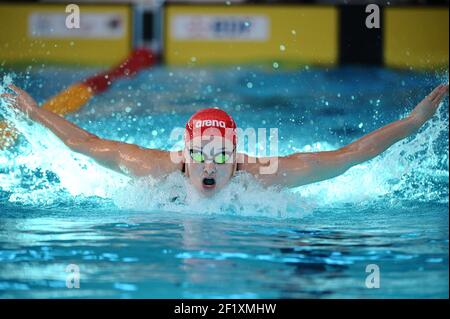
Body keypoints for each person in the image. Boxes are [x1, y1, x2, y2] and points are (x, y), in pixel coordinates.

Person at [1, 83, 448, 197]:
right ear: (185, 154)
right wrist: (35, 112)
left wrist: (414, 119)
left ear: (238, 157)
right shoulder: (157, 168)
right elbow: (84, 143)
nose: (209, 165)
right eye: (200, 154)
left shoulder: (265, 177)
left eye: (221, 156)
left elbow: (353, 154)